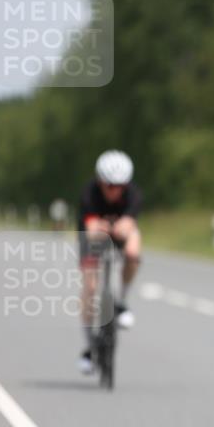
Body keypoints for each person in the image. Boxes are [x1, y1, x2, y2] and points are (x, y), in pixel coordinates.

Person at [77, 150, 142, 374]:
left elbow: (130, 223)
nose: (115, 191)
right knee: (91, 287)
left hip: (119, 232)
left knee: (133, 251)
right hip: (93, 235)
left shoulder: (133, 194)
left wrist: (123, 226)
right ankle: (89, 346)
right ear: (100, 182)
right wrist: (100, 227)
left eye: (120, 186)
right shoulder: (89, 193)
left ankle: (121, 301)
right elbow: (91, 228)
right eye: (109, 186)